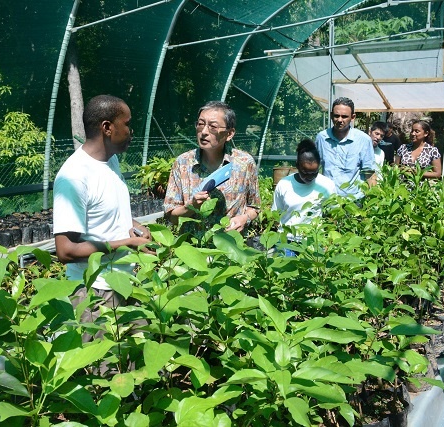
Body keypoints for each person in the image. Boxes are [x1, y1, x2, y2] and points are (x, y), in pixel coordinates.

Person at [53, 94, 151, 329]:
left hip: (122, 280)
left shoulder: (110, 161)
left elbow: (104, 213)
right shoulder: (74, 176)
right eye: (126, 124)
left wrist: (136, 226)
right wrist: (126, 244)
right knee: (105, 364)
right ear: (107, 127)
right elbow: (65, 251)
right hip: (95, 292)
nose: (131, 130)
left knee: (138, 356)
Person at [164, 101, 260, 232]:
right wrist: (191, 207)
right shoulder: (183, 163)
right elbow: (171, 216)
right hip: (193, 248)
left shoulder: (244, 163)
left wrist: (244, 218)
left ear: (229, 134)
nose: (204, 132)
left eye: (212, 126)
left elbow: (254, 207)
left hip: (230, 247)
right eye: (200, 124)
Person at [272, 138, 336, 237]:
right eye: (305, 172)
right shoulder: (284, 184)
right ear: (297, 165)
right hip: (288, 239)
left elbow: (333, 215)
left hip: (314, 239)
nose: (309, 177)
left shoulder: (326, 185)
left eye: (314, 173)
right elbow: (276, 214)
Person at [315, 97, 376, 199]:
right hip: (327, 200)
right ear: (331, 115)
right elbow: (315, 168)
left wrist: (373, 201)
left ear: (352, 117)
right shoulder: (322, 138)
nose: (339, 120)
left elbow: (369, 173)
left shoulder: (363, 140)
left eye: (344, 116)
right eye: (336, 116)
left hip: (354, 203)